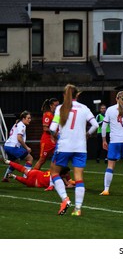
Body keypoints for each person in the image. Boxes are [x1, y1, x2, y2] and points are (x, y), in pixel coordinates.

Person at [49, 84, 98, 216]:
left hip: (64, 146)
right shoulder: (84, 108)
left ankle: (65, 199)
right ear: (78, 95)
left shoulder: (60, 108)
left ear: (65, 95)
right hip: (80, 147)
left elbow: (52, 128)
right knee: (78, 178)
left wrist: (56, 136)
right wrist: (87, 135)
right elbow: (95, 125)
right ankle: (78, 209)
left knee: (54, 173)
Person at [99, 91, 123, 196]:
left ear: (116, 98)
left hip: (114, 141)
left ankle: (106, 189)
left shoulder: (110, 110)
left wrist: (104, 140)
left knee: (110, 166)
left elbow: (103, 127)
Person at [2, 110, 33, 182]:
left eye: (30, 118)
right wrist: (27, 147)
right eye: (28, 118)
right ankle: (26, 178)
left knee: (15, 162)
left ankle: (5, 177)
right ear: (23, 118)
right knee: (30, 158)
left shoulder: (18, 123)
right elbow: (19, 138)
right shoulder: (22, 125)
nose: (30, 120)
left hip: (7, 146)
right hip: (13, 147)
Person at [3, 159, 74, 190]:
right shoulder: (57, 180)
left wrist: (67, 183)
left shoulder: (55, 171)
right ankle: (14, 176)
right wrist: (68, 187)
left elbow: (63, 178)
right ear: (63, 174)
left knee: (24, 170)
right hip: (36, 182)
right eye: (67, 174)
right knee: (26, 182)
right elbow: (59, 187)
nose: (68, 175)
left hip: (36, 173)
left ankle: (9, 162)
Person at [33, 98, 60, 170]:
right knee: (42, 160)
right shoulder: (47, 114)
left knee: (60, 158)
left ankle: (66, 179)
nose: (57, 107)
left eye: (58, 105)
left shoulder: (55, 115)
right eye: (55, 105)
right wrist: (55, 133)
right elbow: (45, 128)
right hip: (47, 141)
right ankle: (32, 176)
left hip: (54, 141)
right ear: (51, 105)